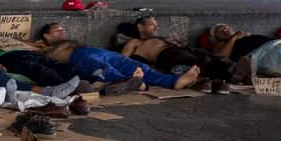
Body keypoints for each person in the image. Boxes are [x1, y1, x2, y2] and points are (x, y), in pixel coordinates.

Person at [36, 23, 200, 92]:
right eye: (57, 30)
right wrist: (38, 47)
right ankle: (129, 82)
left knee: (135, 66)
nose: (62, 32)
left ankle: (174, 81)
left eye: (63, 30)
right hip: (79, 55)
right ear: (46, 35)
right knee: (105, 70)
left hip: (98, 51)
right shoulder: (41, 46)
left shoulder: (67, 41)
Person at [0, 23, 87, 90]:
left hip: (24, 52)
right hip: (6, 58)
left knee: (51, 62)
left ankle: (86, 80)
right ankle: (64, 86)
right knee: (33, 67)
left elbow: (21, 43)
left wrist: (38, 47)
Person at [117, 16, 232, 91]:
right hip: (168, 56)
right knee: (191, 62)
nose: (157, 27)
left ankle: (218, 78)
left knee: (210, 59)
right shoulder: (135, 42)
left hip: (181, 51)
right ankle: (204, 80)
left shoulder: (161, 39)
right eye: (152, 24)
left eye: (157, 25)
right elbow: (122, 60)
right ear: (140, 27)